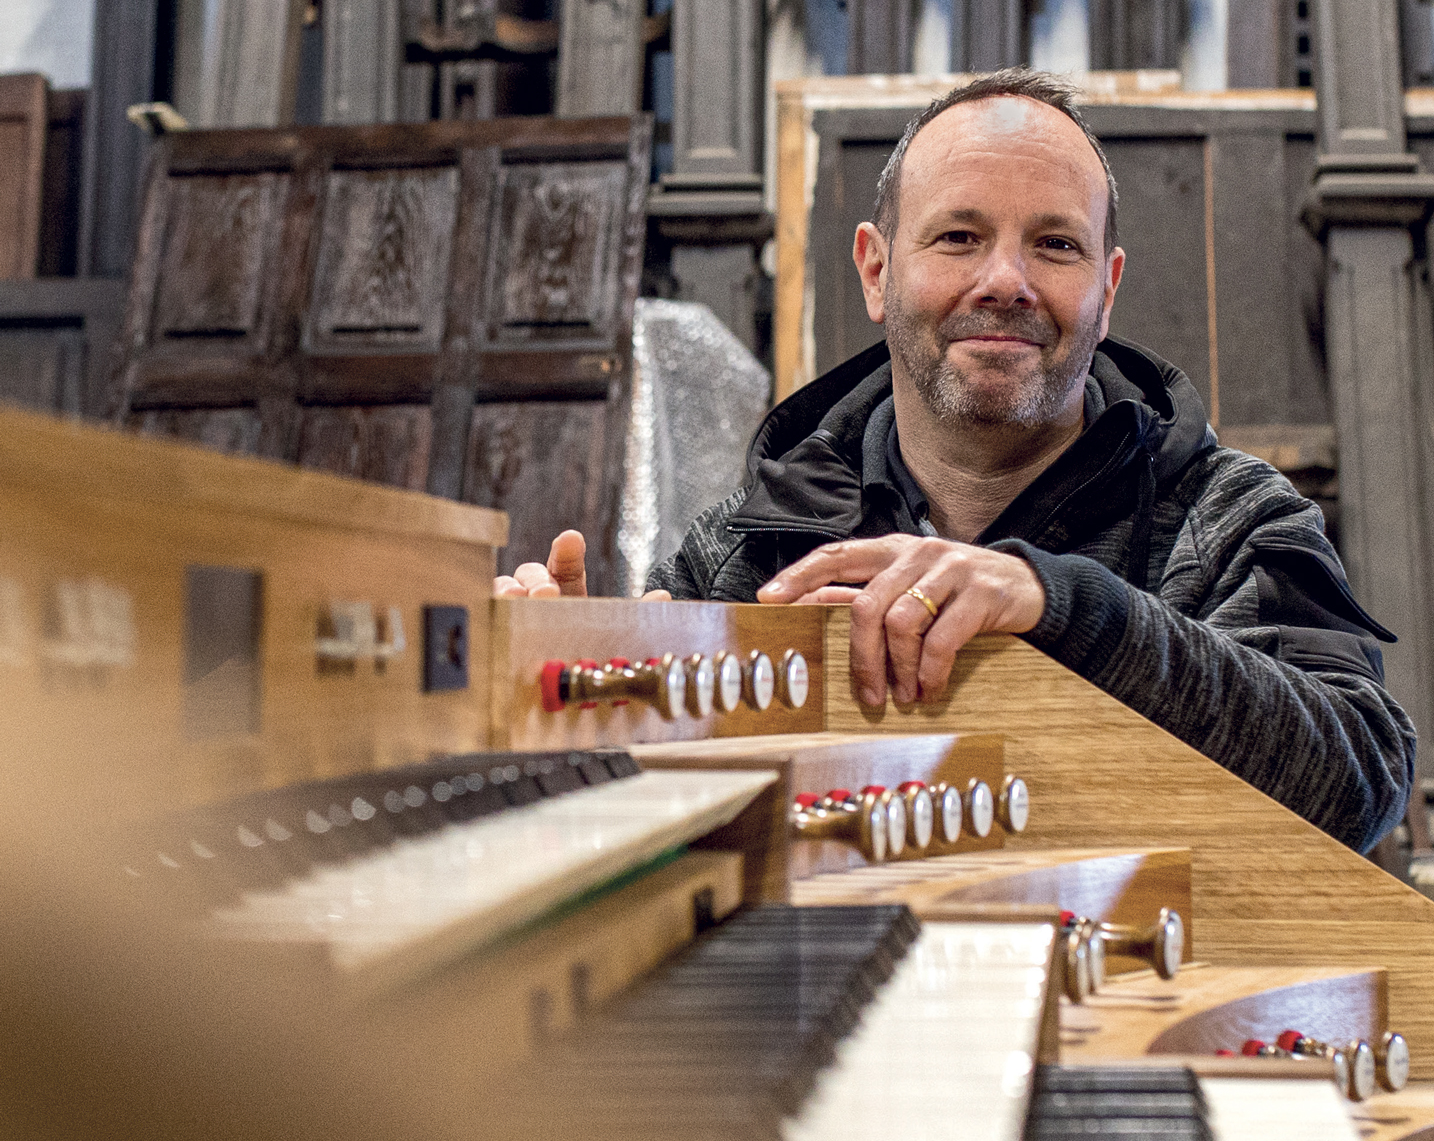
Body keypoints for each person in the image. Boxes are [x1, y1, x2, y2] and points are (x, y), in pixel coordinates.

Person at [496, 67, 1415, 854]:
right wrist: (575, 704)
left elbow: (1359, 787)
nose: (1006, 281)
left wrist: (1065, 607)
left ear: (1108, 286)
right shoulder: (752, 543)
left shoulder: (1232, 520)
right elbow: (659, 825)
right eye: (958, 237)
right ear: (874, 269)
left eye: (1055, 244)